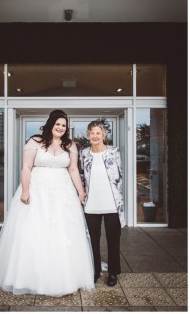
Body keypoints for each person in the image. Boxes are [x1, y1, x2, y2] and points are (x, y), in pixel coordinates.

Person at [0, 109, 95, 296]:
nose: (60, 127)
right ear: (51, 123)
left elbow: (74, 170)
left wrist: (81, 191)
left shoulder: (70, 145)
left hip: (62, 193)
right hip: (37, 190)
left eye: (64, 125)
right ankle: (27, 277)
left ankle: (63, 277)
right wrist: (26, 190)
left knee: (61, 231)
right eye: (58, 123)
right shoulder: (35, 141)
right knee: (34, 229)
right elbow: (26, 167)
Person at [80, 119, 124, 287]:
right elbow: (83, 177)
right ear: (88, 135)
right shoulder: (84, 153)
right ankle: (95, 270)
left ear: (104, 135)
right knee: (93, 240)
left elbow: (118, 175)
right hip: (91, 204)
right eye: (92, 133)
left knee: (114, 240)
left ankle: (113, 272)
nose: (95, 136)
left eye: (98, 133)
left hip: (111, 204)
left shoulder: (114, 151)